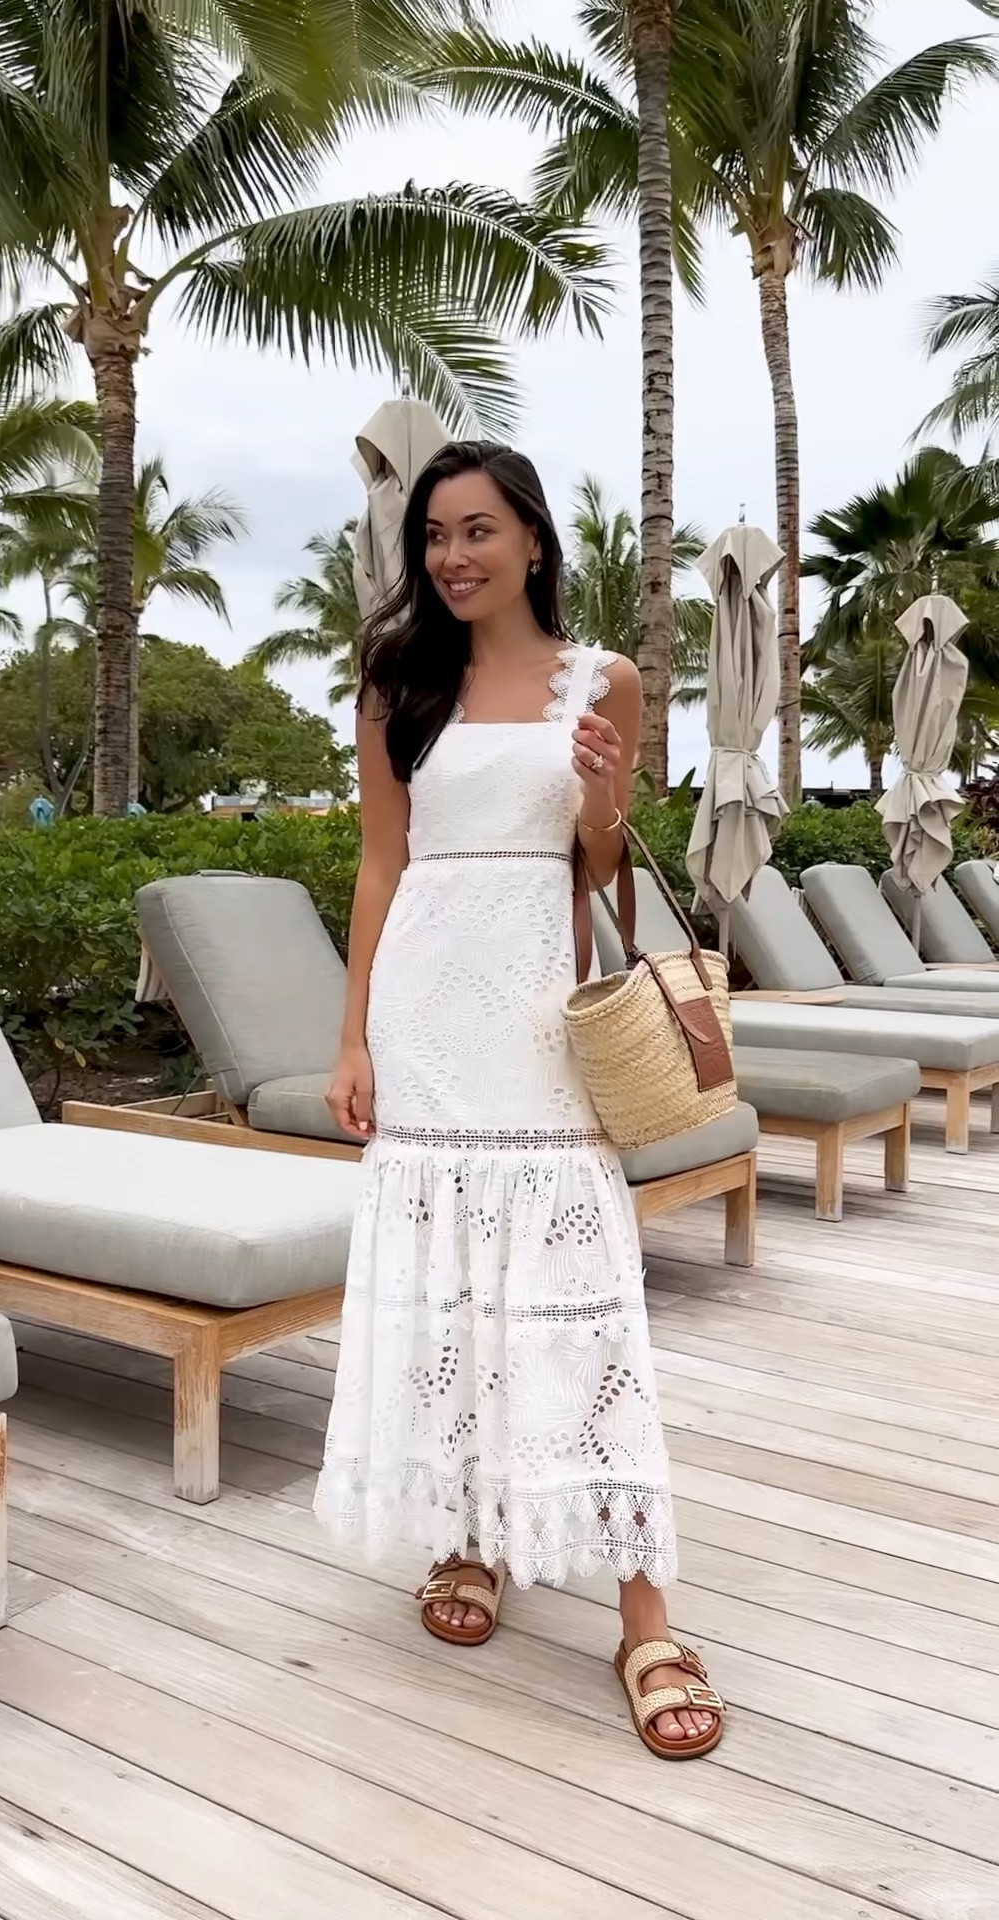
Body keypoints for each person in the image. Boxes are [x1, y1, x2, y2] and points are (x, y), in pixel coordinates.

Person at [314, 441, 724, 1759]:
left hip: (541, 1019)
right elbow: (382, 867)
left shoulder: (599, 677)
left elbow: (601, 867)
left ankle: (645, 1612)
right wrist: (355, 1037)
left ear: (534, 540)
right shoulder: (399, 677)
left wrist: (605, 791)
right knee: (449, 1289)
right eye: (434, 535)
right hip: (429, 1016)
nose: (452, 556)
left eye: (478, 530)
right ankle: (470, 1535)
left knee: (574, 1290)